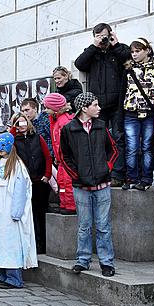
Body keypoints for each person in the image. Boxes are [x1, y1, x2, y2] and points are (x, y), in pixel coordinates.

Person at [60, 92, 119, 277]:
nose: (99, 108)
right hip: (81, 187)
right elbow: (64, 156)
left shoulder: (102, 126)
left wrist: (106, 168)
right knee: (84, 225)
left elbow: (113, 150)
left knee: (103, 226)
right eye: (95, 104)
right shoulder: (69, 129)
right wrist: (77, 175)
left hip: (103, 185)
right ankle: (82, 260)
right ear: (84, 108)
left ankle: (106, 262)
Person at [74, 22, 129, 186]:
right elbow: (79, 64)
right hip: (97, 105)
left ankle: (118, 174)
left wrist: (115, 44)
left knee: (119, 137)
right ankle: (103, 171)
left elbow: (128, 59)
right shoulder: (92, 53)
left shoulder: (118, 50)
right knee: (99, 138)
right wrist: (94, 46)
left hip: (118, 102)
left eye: (104, 35)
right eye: (98, 36)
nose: (102, 39)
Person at [0, 132, 38, 289]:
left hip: (11, 213)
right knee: (1, 244)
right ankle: (2, 274)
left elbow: (20, 191)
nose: (1, 149)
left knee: (11, 245)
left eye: (4, 146)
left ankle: (14, 277)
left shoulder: (17, 166)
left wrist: (16, 212)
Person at [122, 38, 154, 191]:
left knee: (147, 146)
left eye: (138, 51)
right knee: (132, 146)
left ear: (147, 50)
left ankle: (146, 179)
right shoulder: (128, 68)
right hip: (131, 112)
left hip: (150, 113)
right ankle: (132, 177)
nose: (134, 54)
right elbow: (123, 91)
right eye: (132, 51)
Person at [12, 112, 52, 254]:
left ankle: (43, 244)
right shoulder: (14, 140)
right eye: (18, 123)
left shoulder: (37, 137)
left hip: (40, 181)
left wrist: (47, 175)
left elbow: (47, 157)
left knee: (41, 213)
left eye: (23, 122)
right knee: (29, 215)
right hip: (25, 183)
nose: (21, 126)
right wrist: (13, 128)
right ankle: (32, 243)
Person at [44, 93, 76, 215]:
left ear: (56, 108)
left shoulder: (64, 122)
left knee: (67, 183)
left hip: (67, 160)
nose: (46, 111)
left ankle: (71, 206)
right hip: (61, 160)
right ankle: (64, 204)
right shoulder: (57, 121)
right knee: (62, 183)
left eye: (48, 108)